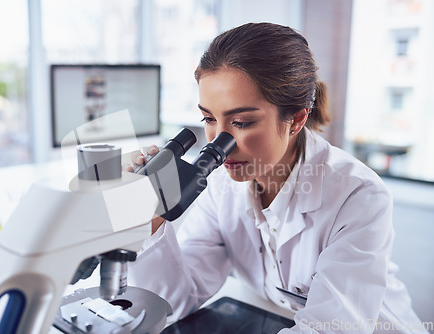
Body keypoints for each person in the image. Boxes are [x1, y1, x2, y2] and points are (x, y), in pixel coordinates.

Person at [125, 22, 427, 333]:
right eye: (209, 118)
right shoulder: (219, 186)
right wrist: (150, 222)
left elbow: (329, 329)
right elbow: (173, 301)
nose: (219, 142)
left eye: (241, 122)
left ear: (296, 119)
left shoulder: (357, 195)